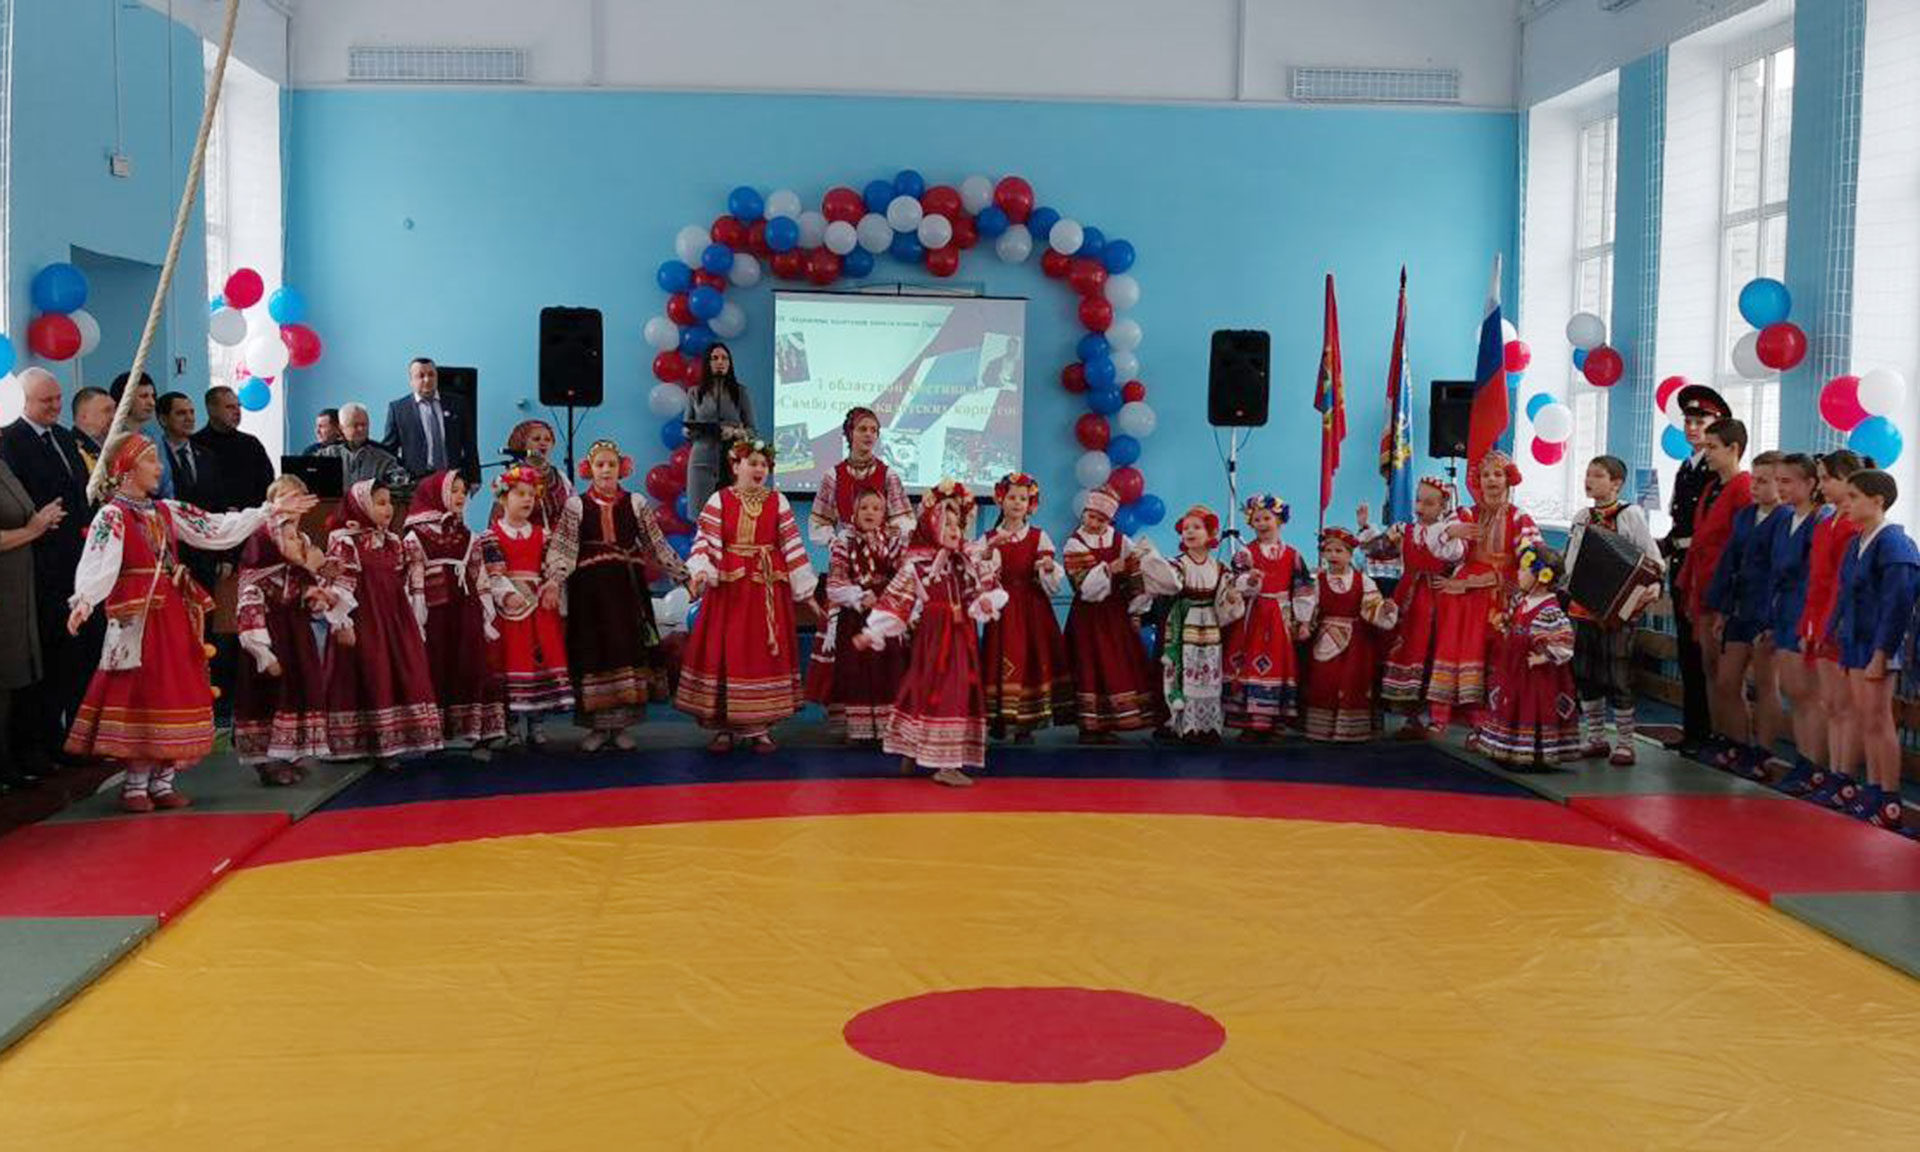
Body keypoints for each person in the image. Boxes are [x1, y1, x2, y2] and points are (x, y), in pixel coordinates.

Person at [64, 435, 315, 811]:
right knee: (143, 696)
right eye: (150, 461)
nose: (159, 468)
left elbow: (214, 528)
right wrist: (84, 599)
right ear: (127, 468)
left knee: (176, 691)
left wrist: (269, 510)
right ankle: (136, 785)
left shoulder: (165, 510)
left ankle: (163, 782)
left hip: (173, 615)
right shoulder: (113, 515)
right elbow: (100, 559)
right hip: (137, 622)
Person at [855, 482, 1005, 786]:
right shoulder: (918, 566)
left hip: (960, 637)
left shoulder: (965, 562)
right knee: (940, 690)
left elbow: (978, 592)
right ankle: (943, 763)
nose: (954, 529)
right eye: (946, 523)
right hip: (935, 640)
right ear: (931, 526)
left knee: (938, 691)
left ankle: (914, 751)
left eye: (957, 524)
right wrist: (874, 630)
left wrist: (985, 601)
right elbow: (897, 600)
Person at [545, 440, 688, 751]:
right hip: (590, 593)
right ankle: (597, 729)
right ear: (590, 469)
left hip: (626, 591)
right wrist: (554, 580)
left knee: (626, 650)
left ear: (622, 468)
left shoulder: (636, 502)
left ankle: (622, 727)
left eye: (611, 464)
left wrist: (685, 576)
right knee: (594, 652)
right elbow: (563, 547)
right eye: (600, 465)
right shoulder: (576, 506)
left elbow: (656, 544)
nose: (606, 470)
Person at [677, 438, 815, 753]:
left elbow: (792, 544)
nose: (759, 469)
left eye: (764, 465)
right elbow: (705, 540)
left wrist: (805, 589)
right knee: (727, 650)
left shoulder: (778, 501)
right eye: (752, 463)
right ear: (736, 466)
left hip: (767, 588)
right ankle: (723, 727)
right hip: (730, 591)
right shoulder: (720, 499)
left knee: (762, 653)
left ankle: (760, 727)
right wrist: (701, 570)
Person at [0, 368, 94, 776]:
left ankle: (62, 740)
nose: (56, 406)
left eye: (58, 398)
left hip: (73, 561)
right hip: (34, 566)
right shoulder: (12, 441)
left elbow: (77, 491)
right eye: (46, 401)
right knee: (39, 663)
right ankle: (32, 745)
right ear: (22, 402)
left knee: (69, 659)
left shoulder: (64, 439)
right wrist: (37, 527)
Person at [319, 479, 444, 769]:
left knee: (399, 670)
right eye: (380, 503)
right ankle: (366, 743)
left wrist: (412, 617)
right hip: (364, 619)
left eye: (390, 503)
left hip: (393, 618)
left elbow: (400, 579)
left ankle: (393, 742)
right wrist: (341, 623)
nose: (388, 509)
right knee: (369, 672)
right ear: (362, 505)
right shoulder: (346, 541)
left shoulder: (393, 542)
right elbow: (339, 584)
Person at [1828, 470, 1917, 832]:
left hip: (1878, 642)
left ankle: (1890, 799)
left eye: (1854, 497)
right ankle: (1874, 789)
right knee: (1866, 719)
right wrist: (1835, 632)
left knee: (1879, 720)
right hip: (1856, 640)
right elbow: (1846, 593)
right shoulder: (1858, 542)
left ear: (1878, 501)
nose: (1845, 504)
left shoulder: (1895, 544)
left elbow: (1898, 604)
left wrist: (1882, 652)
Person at [1430, 451, 1542, 738]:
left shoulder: (1519, 517)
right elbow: (1443, 546)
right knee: (1452, 647)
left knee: (1489, 653)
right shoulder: (1467, 515)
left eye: (1498, 474)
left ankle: (1486, 720)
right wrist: (1452, 532)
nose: (1491, 480)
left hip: (1499, 593)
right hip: (1462, 596)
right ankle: (1441, 714)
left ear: (1509, 479)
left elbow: (1534, 562)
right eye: (1485, 475)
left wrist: (1484, 581)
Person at [232, 475, 333, 785]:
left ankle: (289, 753)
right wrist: (262, 650)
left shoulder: (300, 543)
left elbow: (302, 585)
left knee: (298, 688)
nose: (293, 506)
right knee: (267, 693)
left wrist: (316, 595)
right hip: (271, 631)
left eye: (299, 499)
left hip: (295, 632)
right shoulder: (262, 544)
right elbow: (251, 594)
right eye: (287, 499)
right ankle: (267, 760)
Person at [1562, 455, 1662, 766]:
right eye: (1587, 474)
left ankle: (1626, 743)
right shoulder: (1582, 517)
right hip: (1582, 607)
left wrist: (1653, 585)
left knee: (1618, 673)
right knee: (1584, 673)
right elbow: (1571, 560)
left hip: (1617, 611)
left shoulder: (1630, 515)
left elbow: (1653, 560)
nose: (1589, 480)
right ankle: (1595, 737)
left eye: (1597, 475)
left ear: (1616, 483)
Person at [403, 471, 509, 755]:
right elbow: (414, 581)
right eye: (454, 490)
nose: (461, 496)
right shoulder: (416, 537)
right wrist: (417, 619)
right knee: (436, 666)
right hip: (435, 615)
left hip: (465, 611)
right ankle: (436, 732)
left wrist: (486, 615)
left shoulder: (468, 536)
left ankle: (470, 730)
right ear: (436, 494)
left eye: (464, 491)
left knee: (468, 664)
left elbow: (479, 575)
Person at [1360, 478, 1464, 739]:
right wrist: (1364, 527)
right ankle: (1411, 718)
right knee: (1405, 650)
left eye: (1428, 503)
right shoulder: (1404, 530)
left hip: (1438, 602)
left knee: (1433, 652)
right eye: (1418, 500)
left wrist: (1453, 578)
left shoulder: (1447, 532)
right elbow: (1377, 550)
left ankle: (1437, 719)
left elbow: (1458, 558)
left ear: (1442, 506)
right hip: (1407, 599)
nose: (1420, 507)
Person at [806, 488, 909, 745]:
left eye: (876, 508)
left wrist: (887, 598)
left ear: (884, 514)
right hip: (854, 618)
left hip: (884, 614)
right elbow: (835, 582)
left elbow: (904, 574)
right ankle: (858, 728)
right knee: (856, 668)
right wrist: (859, 596)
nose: (870, 512)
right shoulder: (844, 542)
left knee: (888, 668)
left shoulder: (893, 541)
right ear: (854, 512)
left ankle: (887, 728)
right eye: (864, 508)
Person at [1677, 416, 1753, 767]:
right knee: (1709, 670)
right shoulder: (1711, 489)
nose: (1706, 453)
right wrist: (1689, 586)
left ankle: (1739, 744)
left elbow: (1739, 546)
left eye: (1712, 447)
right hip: (1702, 588)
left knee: (1728, 678)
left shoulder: (1742, 488)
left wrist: (1730, 596)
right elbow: (1699, 542)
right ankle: (1717, 736)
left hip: (1725, 591)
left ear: (1733, 449)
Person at [1660, 384, 1731, 754]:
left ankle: (1709, 734)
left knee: (1705, 656)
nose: (1691, 427)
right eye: (1688, 421)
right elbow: (1679, 521)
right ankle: (1694, 729)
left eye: (1699, 421)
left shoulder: (1716, 473)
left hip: (1703, 567)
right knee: (1688, 652)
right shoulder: (1687, 467)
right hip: (1681, 563)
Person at [977, 473, 1073, 739]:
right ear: (1001, 500)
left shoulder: (1039, 537)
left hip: (1032, 608)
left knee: (1032, 657)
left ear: (1031, 504)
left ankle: (1027, 722)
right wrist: (987, 557)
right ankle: (1002, 718)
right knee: (1004, 658)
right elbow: (980, 572)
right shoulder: (988, 538)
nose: (1017, 503)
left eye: (1023, 498)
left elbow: (1050, 579)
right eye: (1012, 497)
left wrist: (1048, 568)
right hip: (1004, 609)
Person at [1706, 450, 1784, 778]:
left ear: (1780, 484)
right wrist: (1722, 609)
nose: (1756, 487)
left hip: (1766, 609)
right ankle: (1738, 742)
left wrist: (1772, 619)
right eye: (1754, 480)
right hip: (1739, 606)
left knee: (1766, 683)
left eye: (1764, 481)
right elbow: (1729, 561)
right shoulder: (1745, 516)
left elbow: (1782, 572)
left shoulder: (1785, 520)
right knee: (1727, 680)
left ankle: (1763, 752)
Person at [1802, 451, 1871, 806]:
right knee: (1830, 704)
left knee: (1844, 707)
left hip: (1839, 624)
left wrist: (1829, 625)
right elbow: (1817, 581)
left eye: (1828, 478)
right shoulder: (1827, 522)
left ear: (1847, 480)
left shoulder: (1851, 528)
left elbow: (1842, 586)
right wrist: (1809, 625)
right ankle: (1833, 772)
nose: (1822, 485)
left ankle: (1846, 777)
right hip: (1821, 621)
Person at [1138, 505, 1241, 742]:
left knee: (1207, 672)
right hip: (1182, 625)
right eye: (1185, 528)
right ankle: (1179, 724)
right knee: (1180, 671)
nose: (1189, 532)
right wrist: (1150, 558)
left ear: (1211, 533)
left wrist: (1233, 595)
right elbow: (1166, 583)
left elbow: (1226, 599)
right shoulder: (1177, 565)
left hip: (1209, 627)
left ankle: (1206, 725)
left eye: (1196, 527)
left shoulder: (1218, 568)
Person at [1763, 454, 1832, 795]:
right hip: (1785, 611)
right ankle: (1804, 761)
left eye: (1787, 481)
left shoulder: (1820, 520)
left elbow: (1818, 577)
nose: (1780, 487)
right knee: (1793, 691)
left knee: (1809, 695)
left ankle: (1816, 766)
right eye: (1777, 480)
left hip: (1806, 612)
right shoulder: (1785, 519)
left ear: (1810, 483)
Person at [1477, 545, 1579, 770]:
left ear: (1542, 578)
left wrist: (1544, 657)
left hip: (1536, 676)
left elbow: (1565, 641)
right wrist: (1505, 624)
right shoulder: (1521, 600)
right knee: (1511, 703)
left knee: (1533, 709)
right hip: (1514, 668)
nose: (1519, 574)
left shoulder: (1549, 610)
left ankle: (1533, 753)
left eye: (1524, 570)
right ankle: (1509, 748)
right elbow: (1513, 622)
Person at [0, 454, 65, 791]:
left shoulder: (4, 465)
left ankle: (14, 757)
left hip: (18, 587)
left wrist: (41, 520)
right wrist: (31, 530)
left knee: (16, 676)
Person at [1296, 526, 1397, 743]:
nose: (1333, 555)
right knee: (1325, 680)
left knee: (1352, 681)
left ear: (1350, 554)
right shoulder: (1318, 581)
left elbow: (1373, 607)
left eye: (1339, 551)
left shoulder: (1363, 581)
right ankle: (1321, 729)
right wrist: (1304, 625)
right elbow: (1310, 608)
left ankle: (1350, 731)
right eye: (1328, 550)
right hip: (1325, 638)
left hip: (1357, 644)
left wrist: (1385, 610)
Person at [1222, 493, 1310, 740]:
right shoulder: (1245, 553)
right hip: (1253, 616)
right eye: (1256, 519)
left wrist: (1303, 621)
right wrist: (1248, 581)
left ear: (1279, 520)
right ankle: (1250, 722)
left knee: (1279, 664)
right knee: (1248, 662)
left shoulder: (1293, 555)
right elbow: (1233, 582)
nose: (1261, 523)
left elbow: (1303, 589)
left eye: (1266, 518)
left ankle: (1274, 722)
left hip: (1280, 617)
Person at [808, 406, 913, 545]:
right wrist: (836, 543)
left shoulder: (889, 475)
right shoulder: (833, 476)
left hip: (881, 552)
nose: (869, 434)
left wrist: (884, 537)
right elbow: (819, 523)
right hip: (846, 551)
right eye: (863, 429)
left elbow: (903, 522)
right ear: (850, 433)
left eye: (873, 430)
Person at [683, 342, 756, 515]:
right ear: (707, 363)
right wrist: (689, 432)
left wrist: (735, 432)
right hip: (702, 462)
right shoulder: (695, 393)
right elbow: (686, 427)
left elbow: (752, 431)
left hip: (732, 462)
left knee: (732, 516)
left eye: (724, 358)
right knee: (703, 516)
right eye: (715, 358)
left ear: (730, 363)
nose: (720, 362)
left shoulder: (740, 392)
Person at [382, 357, 473, 480]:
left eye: (431, 375)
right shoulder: (398, 409)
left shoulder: (457, 403)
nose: (427, 380)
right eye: (421, 376)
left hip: (452, 478)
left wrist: (474, 477)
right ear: (411, 381)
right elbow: (389, 451)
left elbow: (469, 443)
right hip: (416, 480)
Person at [192, 385, 276, 514]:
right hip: (209, 518)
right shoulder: (195, 444)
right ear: (212, 410)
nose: (237, 412)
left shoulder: (251, 444)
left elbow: (268, 485)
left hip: (250, 518)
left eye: (238, 406)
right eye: (230, 407)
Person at [494, 419, 573, 531]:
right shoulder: (513, 477)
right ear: (522, 444)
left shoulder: (560, 477)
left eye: (548, 439)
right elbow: (501, 515)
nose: (543, 443)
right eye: (536, 439)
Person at [109, 372, 174, 500]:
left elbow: (166, 484)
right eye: (144, 396)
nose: (152, 403)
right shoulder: (110, 438)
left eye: (153, 396)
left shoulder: (154, 438)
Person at [315, 402, 409, 489]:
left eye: (364, 425)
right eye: (355, 425)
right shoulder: (326, 455)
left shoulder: (383, 458)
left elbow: (401, 480)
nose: (361, 429)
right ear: (341, 428)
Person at [70, 386, 114, 470]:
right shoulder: (72, 451)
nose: (114, 416)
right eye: (107, 411)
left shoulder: (115, 448)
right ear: (84, 417)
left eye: (114, 410)